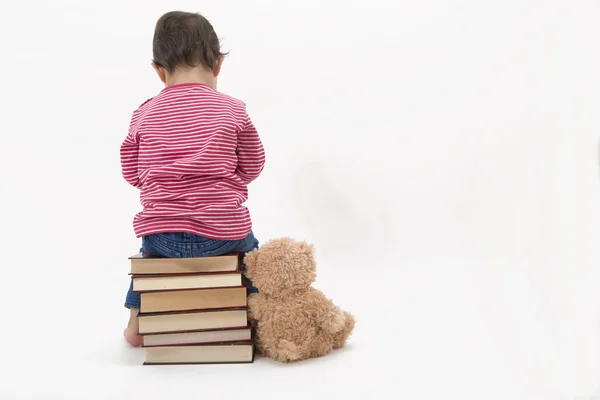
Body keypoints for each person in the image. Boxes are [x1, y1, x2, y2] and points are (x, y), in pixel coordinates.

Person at [120, 11, 265, 347]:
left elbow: (130, 172)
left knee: (146, 262)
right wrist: (228, 179)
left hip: (162, 237)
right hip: (223, 235)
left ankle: (135, 320)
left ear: (158, 70)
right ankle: (258, 310)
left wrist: (162, 186)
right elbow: (254, 164)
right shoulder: (233, 109)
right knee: (254, 257)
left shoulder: (143, 113)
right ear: (217, 66)